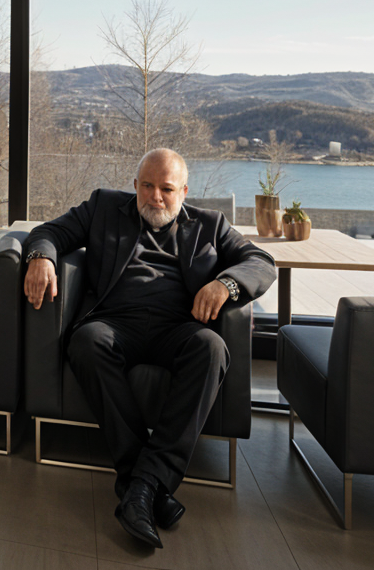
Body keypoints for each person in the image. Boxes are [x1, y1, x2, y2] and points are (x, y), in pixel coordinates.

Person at [23, 148, 276, 550]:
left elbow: (261, 261)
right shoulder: (103, 207)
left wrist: (225, 284)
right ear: (135, 184)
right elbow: (49, 232)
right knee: (86, 341)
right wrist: (41, 259)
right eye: (147, 186)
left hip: (177, 327)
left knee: (212, 347)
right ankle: (149, 485)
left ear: (184, 192)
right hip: (114, 322)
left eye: (166, 189)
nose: (155, 197)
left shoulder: (210, 224)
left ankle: (139, 484)